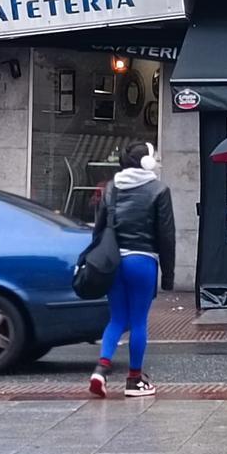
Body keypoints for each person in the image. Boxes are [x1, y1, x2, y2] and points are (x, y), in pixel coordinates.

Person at [88, 143, 175, 398]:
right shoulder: (159, 189)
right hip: (142, 261)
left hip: (114, 261)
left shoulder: (112, 188)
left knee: (116, 319)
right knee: (138, 321)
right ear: (148, 162)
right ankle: (135, 380)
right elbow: (166, 235)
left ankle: (100, 369)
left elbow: (99, 229)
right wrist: (168, 275)